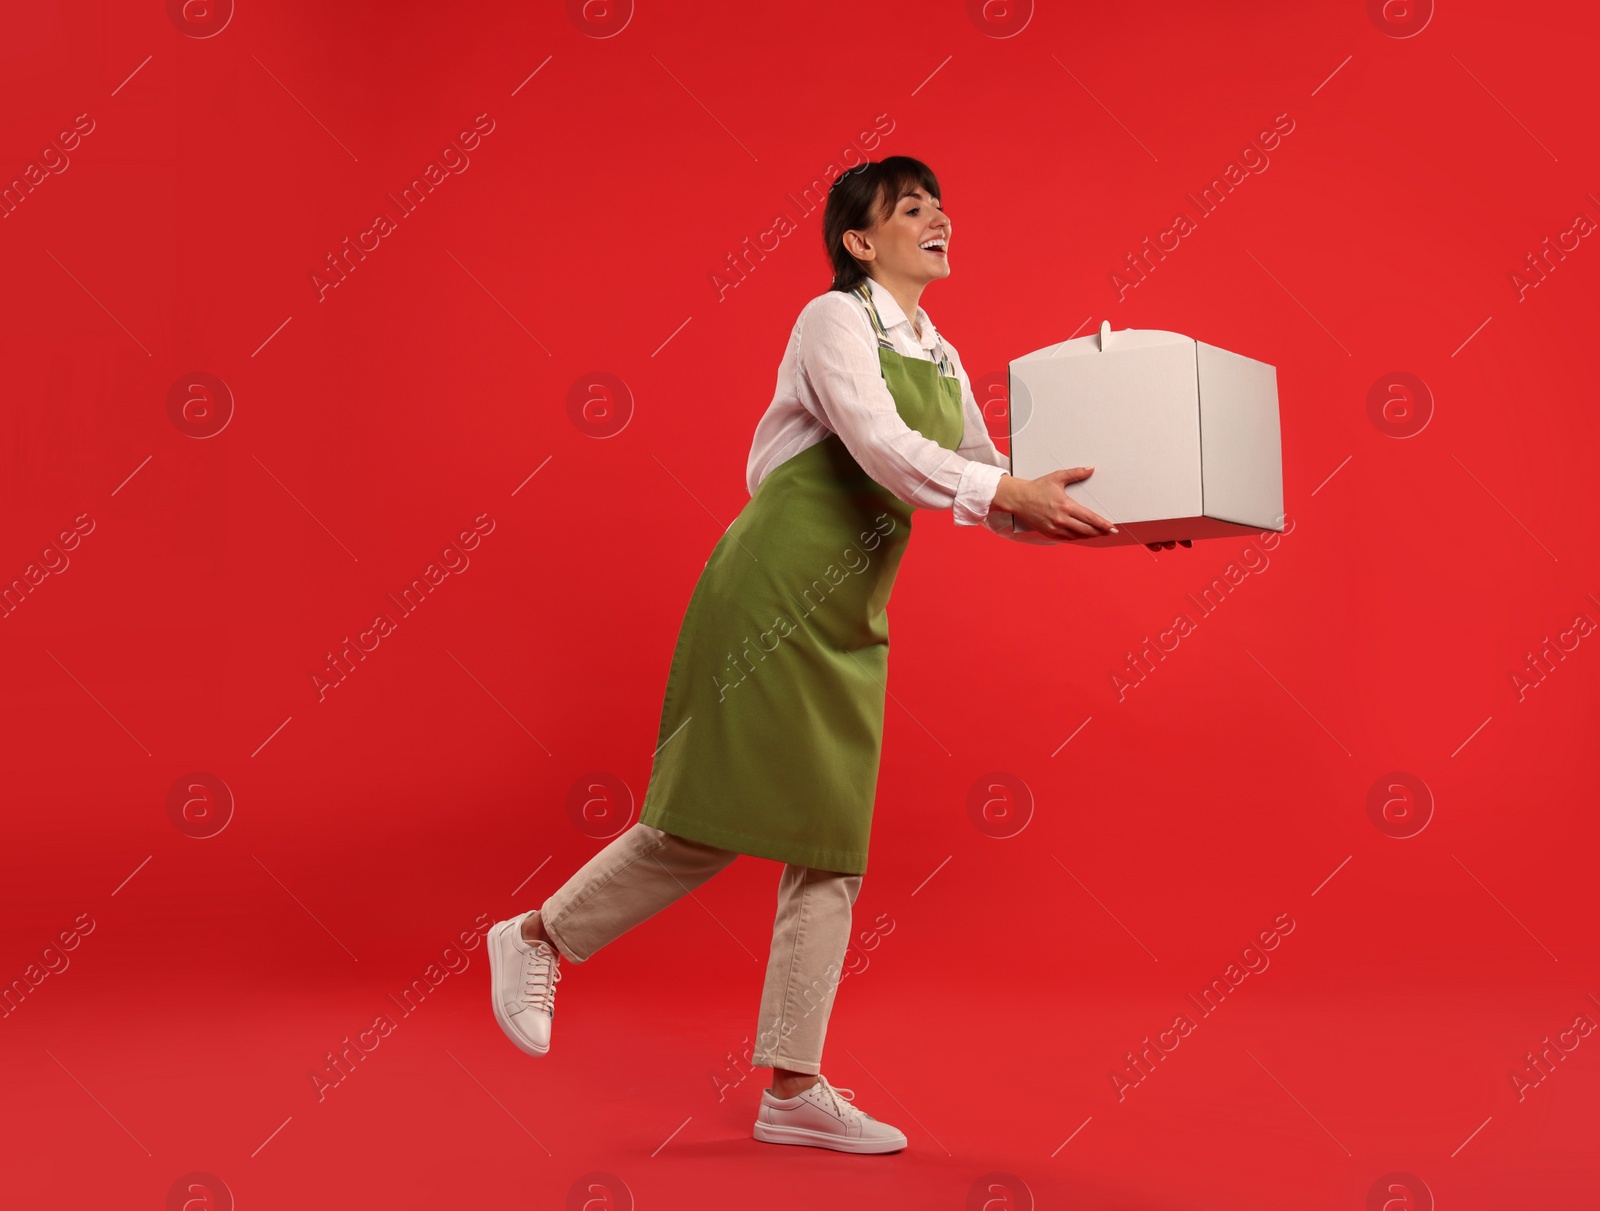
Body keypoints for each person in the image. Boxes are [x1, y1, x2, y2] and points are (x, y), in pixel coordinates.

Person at [486, 155, 1139, 1155]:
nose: (938, 217)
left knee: (831, 845)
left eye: (939, 204)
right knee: (704, 817)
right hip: (775, 588)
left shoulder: (942, 352)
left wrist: (1117, 516)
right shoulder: (831, 321)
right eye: (910, 207)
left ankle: (792, 1085)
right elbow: (881, 447)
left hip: (851, 616)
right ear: (859, 241)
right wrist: (1006, 495)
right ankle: (536, 935)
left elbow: (981, 480)